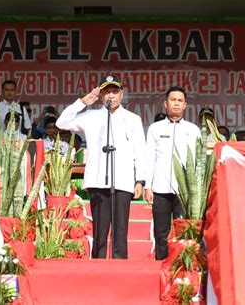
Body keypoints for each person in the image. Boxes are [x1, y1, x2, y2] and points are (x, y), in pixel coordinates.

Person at [56, 75, 146, 259]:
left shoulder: (132, 119)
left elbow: (140, 151)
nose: (110, 95)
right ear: (100, 95)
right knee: (100, 231)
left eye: (114, 91)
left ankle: (120, 268)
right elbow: (61, 123)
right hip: (97, 180)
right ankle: (98, 265)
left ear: (121, 94)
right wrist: (82, 102)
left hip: (123, 180)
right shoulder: (91, 116)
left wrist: (140, 180)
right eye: (106, 92)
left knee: (120, 231)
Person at [144, 86, 201, 260]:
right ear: (165, 104)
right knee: (161, 233)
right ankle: (160, 265)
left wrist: (195, 190)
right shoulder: (155, 128)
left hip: (184, 190)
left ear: (185, 105)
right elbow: (150, 158)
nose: (176, 103)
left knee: (182, 231)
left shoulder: (193, 130)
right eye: (173, 100)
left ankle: (180, 268)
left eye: (180, 101)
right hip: (160, 188)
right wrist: (148, 186)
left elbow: (198, 163)